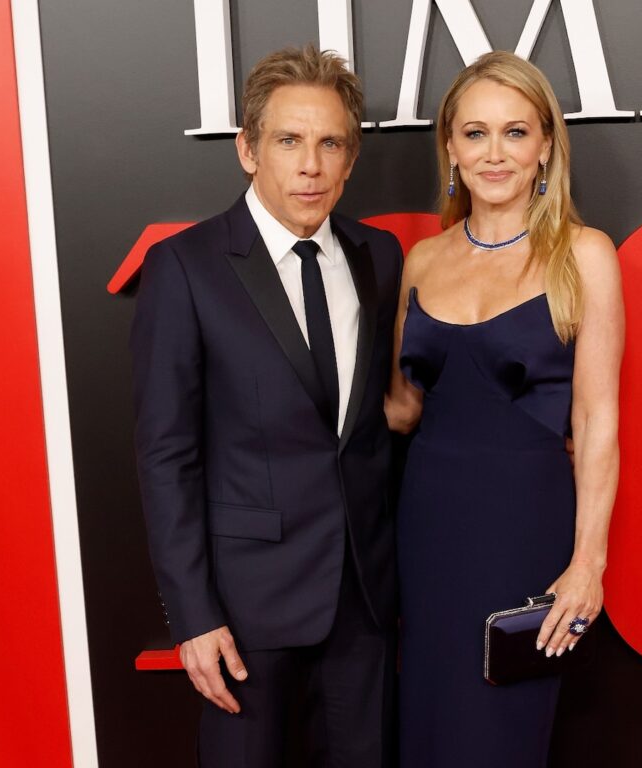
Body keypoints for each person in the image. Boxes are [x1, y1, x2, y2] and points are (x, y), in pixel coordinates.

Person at [130, 45, 403, 768]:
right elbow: (166, 456)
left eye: (330, 143)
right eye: (288, 141)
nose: (310, 165)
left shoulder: (379, 256)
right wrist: (193, 616)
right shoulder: (185, 268)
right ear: (248, 151)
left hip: (365, 602)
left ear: (350, 158)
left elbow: (370, 423)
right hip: (245, 612)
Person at [385, 51, 624, 767]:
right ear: (450, 148)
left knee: (499, 728)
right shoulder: (422, 261)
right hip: (427, 526)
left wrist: (588, 562)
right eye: (476, 133)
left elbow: (596, 421)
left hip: (523, 527)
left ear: (546, 145)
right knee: (427, 717)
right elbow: (401, 408)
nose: (495, 154)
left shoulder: (583, 255)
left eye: (516, 133)